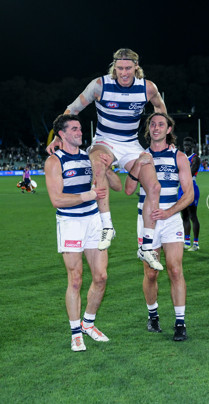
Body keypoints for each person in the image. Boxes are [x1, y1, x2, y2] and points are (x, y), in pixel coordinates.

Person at [46, 48, 166, 271]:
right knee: (97, 163)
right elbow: (72, 109)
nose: (123, 73)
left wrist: (161, 136)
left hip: (131, 143)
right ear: (114, 67)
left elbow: (160, 109)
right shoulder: (99, 85)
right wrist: (57, 137)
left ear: (136, 67)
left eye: (128, 68)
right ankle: (107, 226)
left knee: (154, 185)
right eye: (119, 68)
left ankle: (146, 246)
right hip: (105, 140)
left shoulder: (147, 88)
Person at [124, 112, 193, 342]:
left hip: (171, 219)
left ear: (168, 129)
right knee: (151, 273)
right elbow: (128, 190)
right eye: (152, 124)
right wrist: (137, 166)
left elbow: (189, 195)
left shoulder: (179, 157)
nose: (156, 127)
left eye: (161, 124)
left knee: (175, 270)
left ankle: (180, 323)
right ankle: (153, 316)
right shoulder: (140, 156)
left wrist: (169, 212)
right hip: (146, 222)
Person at [45, 114, 111, 352]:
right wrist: (87, 196)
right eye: (74, 129)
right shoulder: (54, 162)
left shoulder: (87, 157)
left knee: (101, 277)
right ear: (61, 134)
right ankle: (75, 333)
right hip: (71, 223)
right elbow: (56, 199)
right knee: (75, 279)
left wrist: (107, 166)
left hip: (93, 220)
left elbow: (112, 184)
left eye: (80, 128)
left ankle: (88, 324)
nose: (79, 132)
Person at [179, 137, 200, 251]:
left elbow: (190, 172)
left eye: (188, 145)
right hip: (182, 188)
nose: (186, 146)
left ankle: (196, 243)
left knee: (193, 215)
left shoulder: (196, 158)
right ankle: (187, 242)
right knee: (184, 216)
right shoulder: (181, 158)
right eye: (185, 144)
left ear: (192, 146)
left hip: (191, 187)